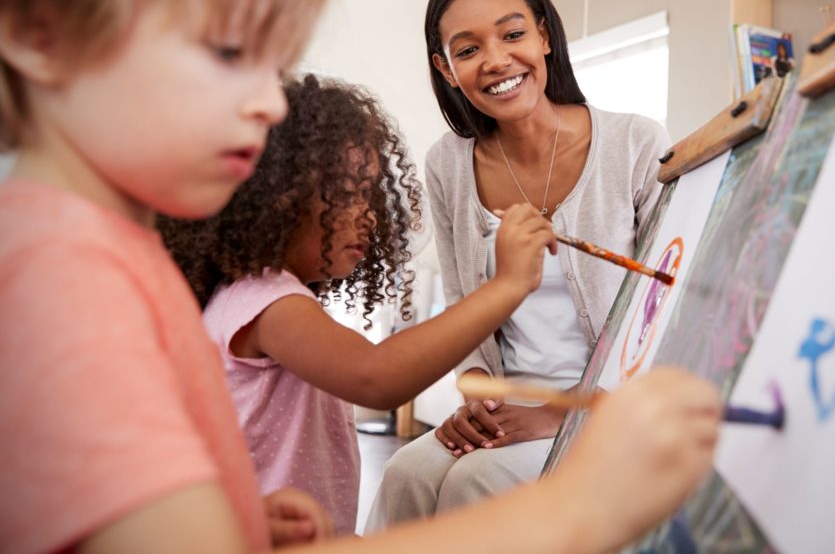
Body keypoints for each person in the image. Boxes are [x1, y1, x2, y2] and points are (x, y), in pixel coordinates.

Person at [0, 0, 721, 552]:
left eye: (272, 63)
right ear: (42, 36)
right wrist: (582, 504)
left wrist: (232, 520)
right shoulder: (63, 282)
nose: (271, 104)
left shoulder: (107, 256)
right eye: (226, 51)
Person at [159, 73, 556, 535]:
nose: (369, 213)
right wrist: (507, 285)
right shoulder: (265, 302)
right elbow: (377, 376)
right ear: (280, 200)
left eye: (370, 195)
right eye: (349, 194)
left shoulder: (262, 298)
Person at [367, 0, 672, 529]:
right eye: (468, 49)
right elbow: (465, 309)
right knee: (406, 473)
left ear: (544, 36)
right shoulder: (447, 166)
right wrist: (476, 403)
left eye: (512, 34)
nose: (496, 60)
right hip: (506, 406)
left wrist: (561, 417)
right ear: (446, 68)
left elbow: (664, 314)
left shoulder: (634, 143)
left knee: (477, 482)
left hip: (607, 410)